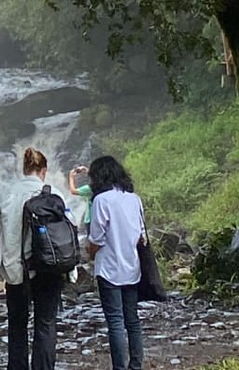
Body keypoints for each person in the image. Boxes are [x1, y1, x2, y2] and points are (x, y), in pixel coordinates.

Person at [0, 147, 67, 370]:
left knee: (17, 324)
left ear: (24, 169)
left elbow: (1, 231)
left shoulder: (8, 194)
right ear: (43, 170)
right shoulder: (55, 193)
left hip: (17, 268)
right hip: (49, 267)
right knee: (45, 323)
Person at [86, 155, 146, 370]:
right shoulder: (134, 198)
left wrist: (90, 254)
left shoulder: (101, 200)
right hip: (132, 267)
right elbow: (141, 236)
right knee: (133, 321)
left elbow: (96, 238)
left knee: (115, 322)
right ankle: (136, 365)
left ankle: (119, 367)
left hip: (109, 268)